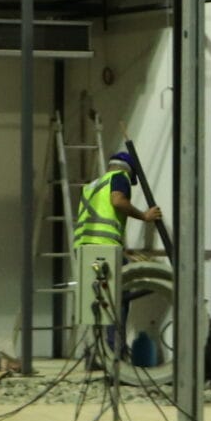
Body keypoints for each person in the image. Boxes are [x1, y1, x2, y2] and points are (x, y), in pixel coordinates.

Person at [70, 148, 163, 364]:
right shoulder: (119, 178)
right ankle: (114, 354)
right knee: (117, 299)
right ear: (130, 171)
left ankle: (94, 354)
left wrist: (124, 250)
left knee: (95, 302)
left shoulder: (93, 185)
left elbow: (100, 216)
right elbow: (118, 201)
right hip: (104, 248)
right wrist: (144, 216)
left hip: (85, 247)